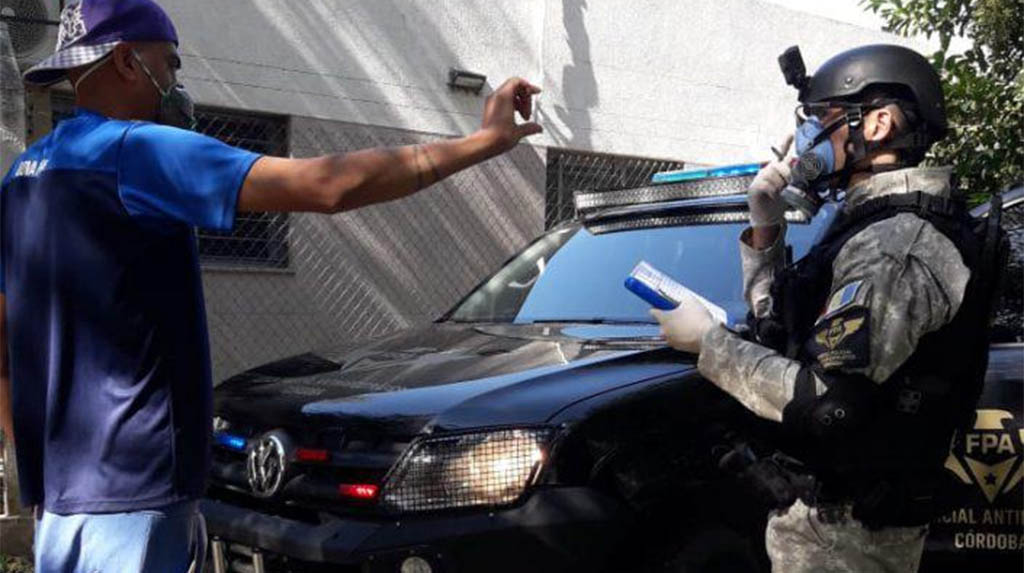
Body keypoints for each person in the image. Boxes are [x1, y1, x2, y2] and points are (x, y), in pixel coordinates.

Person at [0, 0, 542, 570]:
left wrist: (38, 475)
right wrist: (482, 142)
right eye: (171, 62)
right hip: (135, 492)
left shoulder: (23, 178)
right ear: (127, 62)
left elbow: (4, 350)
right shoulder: (137, 151)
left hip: (65, 504)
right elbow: (325, 186)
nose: (176, 81)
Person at [651, 44, 1003, 572]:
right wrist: (766, 227)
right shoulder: (871, 227)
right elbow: (784, 334)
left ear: (878, 124)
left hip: (847, 539)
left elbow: (828, 403)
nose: (807, 140)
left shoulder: (896, 245)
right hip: (826, 530)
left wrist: (709, 344)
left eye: (825, 120)